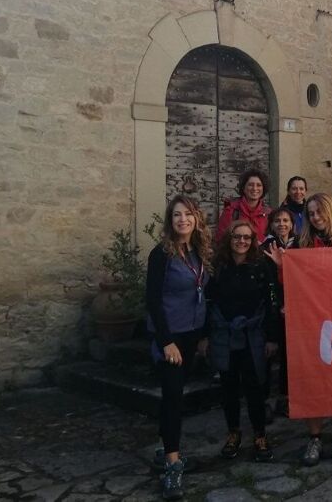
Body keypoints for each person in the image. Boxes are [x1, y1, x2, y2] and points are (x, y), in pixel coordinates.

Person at [270, 192, 332, 466]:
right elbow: (291, 283)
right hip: (312, 321)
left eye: (319, 212)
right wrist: (283, 267)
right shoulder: (302, 244)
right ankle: (315, 436)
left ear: (330, 212)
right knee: (312, 377)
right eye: (311, 213)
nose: (315, 217)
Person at [145, 195, 213, 501]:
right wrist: (166, 341)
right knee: (173, 397)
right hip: (170, 337)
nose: (182, 220)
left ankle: (166, 448)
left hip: (191, 335)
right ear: (170, 221)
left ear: (196, 219)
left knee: (176, 394)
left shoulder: (199, 252)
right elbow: (153, 301)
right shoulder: (161, 254)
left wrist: (203, 335)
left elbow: (206, 293)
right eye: (176, 215)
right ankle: (173, 466)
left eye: (187, 214)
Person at [208, 220, 280, 463]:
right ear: (229, 239)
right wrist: (206, 336)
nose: (242, 241)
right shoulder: (219, 267)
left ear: (253, 241)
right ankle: (233, 432)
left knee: (255, 387)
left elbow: (272, 301)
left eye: (247, 238)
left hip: (254, 335)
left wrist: (272, 337)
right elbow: (210, 301)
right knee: (228, 387)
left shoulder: (262, 265)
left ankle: (259, 434)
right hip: (225, 334)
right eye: (237, 237)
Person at [260, 207, 298, 418]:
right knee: (269, 353)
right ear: (272, 224)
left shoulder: (300, 245)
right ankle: (265, 400)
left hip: (296, 307)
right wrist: (277, 303)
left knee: (288, 356)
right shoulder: (265, 247)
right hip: (272, 304)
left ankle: (286, 397)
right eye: (277, 221)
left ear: (292, 224)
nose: (282, 224)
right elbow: (269, 284)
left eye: (286, 220)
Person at [216, 169, 272, 243]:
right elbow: (221, 239)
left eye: (259, 185)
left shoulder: (269, 214)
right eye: (250, 185)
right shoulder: (231, 211)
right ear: (243, 188)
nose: (255, 188)